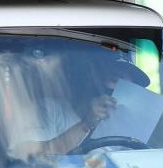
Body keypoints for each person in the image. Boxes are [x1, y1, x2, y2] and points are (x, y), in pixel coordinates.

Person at [12, 56, 150, 157]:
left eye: (130, 87)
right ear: (92, 79)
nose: (122, 90)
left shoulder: (126, 131)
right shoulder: (49, 109)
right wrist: (86, 124)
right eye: (115, 79)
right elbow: (29, 158)